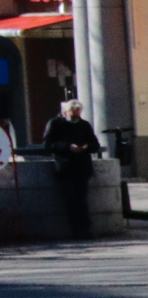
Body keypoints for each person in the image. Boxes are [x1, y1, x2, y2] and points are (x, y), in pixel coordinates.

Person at [39, 98, 103, 239]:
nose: (76, 116)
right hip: (65, 167)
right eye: (73, 114)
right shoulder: (55, 124)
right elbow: (48, 144)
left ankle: (85, 230)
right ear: (66, 112)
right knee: (70, 200)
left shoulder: (84, 125)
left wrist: (86, 147)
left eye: (78, 113)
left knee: (82, 200)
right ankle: (76, 230)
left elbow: (95, 144)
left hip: (82, 167)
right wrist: (68, 147)